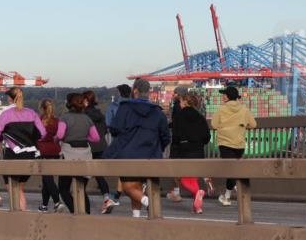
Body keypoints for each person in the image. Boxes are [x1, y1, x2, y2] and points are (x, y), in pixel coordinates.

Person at [103, 78, 171, 218]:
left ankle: (149, 203)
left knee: (128, 187)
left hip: (129, 154)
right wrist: (158, 148)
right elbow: (165, 136)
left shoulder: (125, 108)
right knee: (137, 187)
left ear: (135, 91)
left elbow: (114, 129)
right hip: (151, 155)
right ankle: (136, 217)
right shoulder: (157, 112)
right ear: (148, 92)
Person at [0, 86, 45, 211]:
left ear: (9, 98)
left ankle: (20, 216)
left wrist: (2, 138)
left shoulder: (6, 114)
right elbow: (43, 133)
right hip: (30, 154)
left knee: (12, 187)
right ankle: (23, 214)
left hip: (13, 154)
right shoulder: (31, 113)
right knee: (19, 188)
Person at [211, 85, 257, 207]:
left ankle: (231, 192)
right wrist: (241, 126)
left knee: (230, 170)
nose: (222, 97)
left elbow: (214, 125)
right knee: (234, 169)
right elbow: (253, 124)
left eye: (224, 95)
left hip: (225, 143)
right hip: (239, 144)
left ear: (227, 97)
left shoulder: (221, 110)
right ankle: (228, 195)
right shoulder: (244, 110)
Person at [58, 94, 102, 215]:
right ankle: (86, 215)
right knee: (81, 189)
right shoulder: (87, 118)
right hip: (85, 153)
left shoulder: (65, 118)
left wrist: (57, 138)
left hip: (69, 153)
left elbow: (60, 135)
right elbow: (96, 138)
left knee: (64, 189)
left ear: (68, 104)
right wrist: (84, 137)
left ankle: (74, 211)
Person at [170, 90, 211, 214]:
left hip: (183, 151)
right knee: (192, 179)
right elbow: (207, 136)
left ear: (185, 102)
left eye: (181, 101)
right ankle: (197, 206)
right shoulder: (200, 117)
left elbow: (176, 136)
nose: (180, 103)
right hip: (198, 150)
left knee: (183, 179)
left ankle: (197, 192)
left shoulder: (179, 116)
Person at [82, 90, 117, 213]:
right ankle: (107, 198)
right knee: (98, 175)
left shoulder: (84, 115)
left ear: (86, 101)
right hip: (101, 146)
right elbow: (104, 130)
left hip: (88, 147)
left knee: (82, 177)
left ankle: (83, 206)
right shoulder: (100, 114)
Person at [35, 99, 65, 212]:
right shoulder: (57, 121)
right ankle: (44, 205)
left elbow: (34, 135)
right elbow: (60, 136)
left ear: (41, 108)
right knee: (46, 180)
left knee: (47, 178)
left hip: (42, 151)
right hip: (55, 151)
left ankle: (57, 201)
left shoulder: (38, 120)